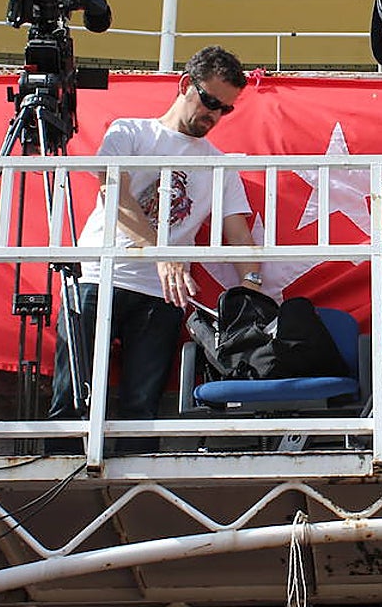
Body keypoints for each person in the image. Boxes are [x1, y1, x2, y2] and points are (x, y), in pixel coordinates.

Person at [48, 45, 263, 453]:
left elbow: (238, 231)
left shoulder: (220, 163)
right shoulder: (129, 132)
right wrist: (160, 251)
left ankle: (133, 498)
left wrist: (252, 288)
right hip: (98, 276)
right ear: (185, 85)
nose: (214, 115)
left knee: (141, 408)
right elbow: (114, 192)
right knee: (71, 398)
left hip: (161, 294)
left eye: (226, 110)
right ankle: (63, 488)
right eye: (211, 101)